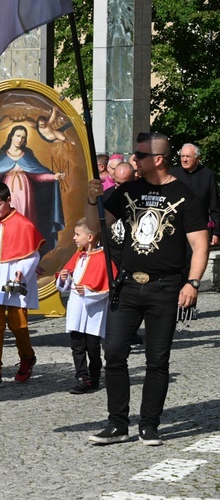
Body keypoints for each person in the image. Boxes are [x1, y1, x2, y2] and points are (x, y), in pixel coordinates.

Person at [86, 132, 208, 447]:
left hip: (165, 287)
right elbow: (94, 228)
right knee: (113, 352)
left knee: (157, 359)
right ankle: (117, 423)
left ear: (157, 159)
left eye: (139, 155)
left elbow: (199, 245)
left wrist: (192, 283)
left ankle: (149, 425)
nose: (133, 160)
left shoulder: (185, 195)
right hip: (127, 285)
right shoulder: (128, 191)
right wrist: (91, 199)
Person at [0, 181, 43, 390]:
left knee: (18, 326)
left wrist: (22, 269)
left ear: (8, 200)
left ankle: (27, 357)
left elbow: (33, 254)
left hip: (14, 281)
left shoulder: (24, 224)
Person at [0, 125, 65, 256]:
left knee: (26, 221)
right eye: (18, 136)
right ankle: (8, 251)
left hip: (26, 194)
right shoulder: (1, 155)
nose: (20, 139)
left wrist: (53, 177)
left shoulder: (28, 155)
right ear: (11, 136)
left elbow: (37, 174)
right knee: (8, 220)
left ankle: (28, 253)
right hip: (8, 191)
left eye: (23, 137)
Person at [56, 219, 115, 394]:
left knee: (93, 347)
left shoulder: (103, 257)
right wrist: (64, 277)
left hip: (92, 311)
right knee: (77, 346)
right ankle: (82, 378)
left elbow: (107, 288)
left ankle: (95, 374)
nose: (74, 238)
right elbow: (66, 280)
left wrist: (88, 291)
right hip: (76, 308)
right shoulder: (78, 255)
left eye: (77, 234)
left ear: (89, 237)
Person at [170, 143, 220, 246]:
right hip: (175, 230)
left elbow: (214, 205)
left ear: (198, 158)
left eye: (188, 156)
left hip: (199, 230)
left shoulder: (208, 175)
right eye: (182, 156)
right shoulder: (172, 174)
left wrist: (216, 232)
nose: (184, 160)